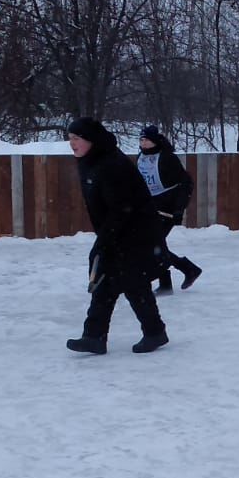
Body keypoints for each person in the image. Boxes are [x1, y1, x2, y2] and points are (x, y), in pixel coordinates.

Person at [65, 118, 169, 355]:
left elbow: (122, 208)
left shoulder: (111, 165)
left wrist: (103, 241)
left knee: (130, 282)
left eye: (77, 139)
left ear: (91, 140)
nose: (71, 144)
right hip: (118, 231)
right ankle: (95, 336)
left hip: (134, 232)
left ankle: (151, 332)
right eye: (70, 139)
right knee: (111, 283)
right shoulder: (91, 161)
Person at [137, 125, 202, 294]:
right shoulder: (141, 158)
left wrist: (179, 209)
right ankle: (183, 272)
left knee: (152, 245)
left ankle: (180, 273)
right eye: (141, 140)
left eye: (146, 140)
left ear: (155, 141)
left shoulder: (167, 158)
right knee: (154, 245)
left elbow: (186, 183)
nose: (143, 143)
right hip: (148, 208)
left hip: (166, 209)